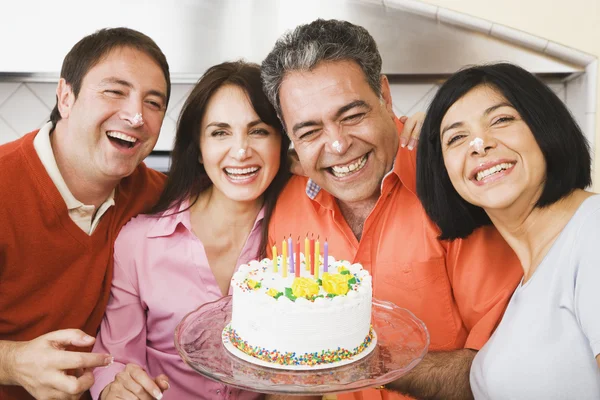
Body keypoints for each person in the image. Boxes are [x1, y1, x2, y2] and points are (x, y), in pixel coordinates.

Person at [261, 19, 523, 400]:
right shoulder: (286, 205)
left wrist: (363, 365)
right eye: (310, 131)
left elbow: (501, 366)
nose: (337, 145)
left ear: (384, 94)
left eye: (351, 116)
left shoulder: (456, 183)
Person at [90, 61, 292, 400]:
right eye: (220, 132)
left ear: (281, 142)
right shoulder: (138, 243)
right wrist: (115, 388)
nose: (241, 151)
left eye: (258, 131)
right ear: (198, 149)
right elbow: (115, 359)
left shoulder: (303, 231)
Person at [0, 28, 170, 400]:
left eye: (154, 103)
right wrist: (12, 361)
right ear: (66, 97)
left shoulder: (155, 195)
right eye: (115, 91)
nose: (137, 116)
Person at [416, 62, 600, 399]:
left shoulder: (593, 231)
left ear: (546, 126)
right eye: (456, 137)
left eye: (501, 119)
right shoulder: (527, 284)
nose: (479, 144)